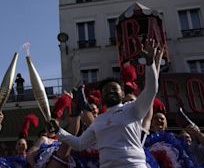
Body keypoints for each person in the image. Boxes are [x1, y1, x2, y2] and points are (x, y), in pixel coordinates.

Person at [48, 39, 161, 168]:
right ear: (101, 97)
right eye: (106, 90)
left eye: (114, 89)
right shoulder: (99, 121)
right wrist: (58, 131)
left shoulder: (133, 109)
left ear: (122, 94)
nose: (110, 91)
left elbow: (151, 89)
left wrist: (150, 64)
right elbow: (80, 144)